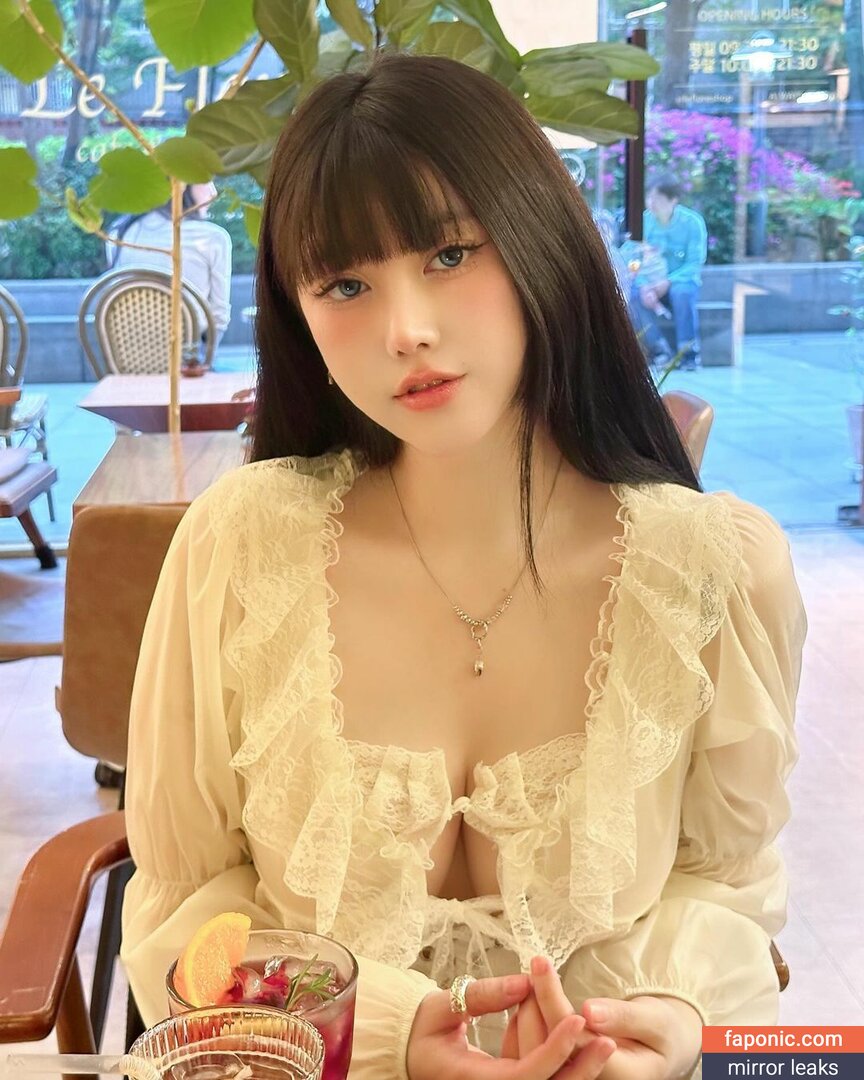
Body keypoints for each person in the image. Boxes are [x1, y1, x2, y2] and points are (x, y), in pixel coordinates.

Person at [121, 53, 806, 1080]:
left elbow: (727, 886)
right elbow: (185, 906)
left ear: (539, 239)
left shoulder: (713, 572)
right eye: (345, 283)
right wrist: (388, 1037)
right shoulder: (242, 550)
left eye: (448, 254)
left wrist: (671, 1022)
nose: (407, 331)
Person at [108, 182, 233, 346]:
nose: (213, 192)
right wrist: (208, 357)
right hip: (188, 355)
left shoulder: (118, 233)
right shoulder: (212, 238)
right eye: (206, 180)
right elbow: (219, 318)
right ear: (181, 184)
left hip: (126, 354)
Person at [630, 175, 708, 371]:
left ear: (673, 200)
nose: (651, 203)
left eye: (658, 198)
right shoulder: (644, 222)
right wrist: (643, 284)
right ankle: (659, 350)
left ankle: (688, 354)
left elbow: (694, 263)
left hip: (680, 281)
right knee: (633, 295)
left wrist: (668, 281)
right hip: (650, 281)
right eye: (649, 197)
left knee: (682, 293)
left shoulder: (693, 223)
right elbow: (633, 257)